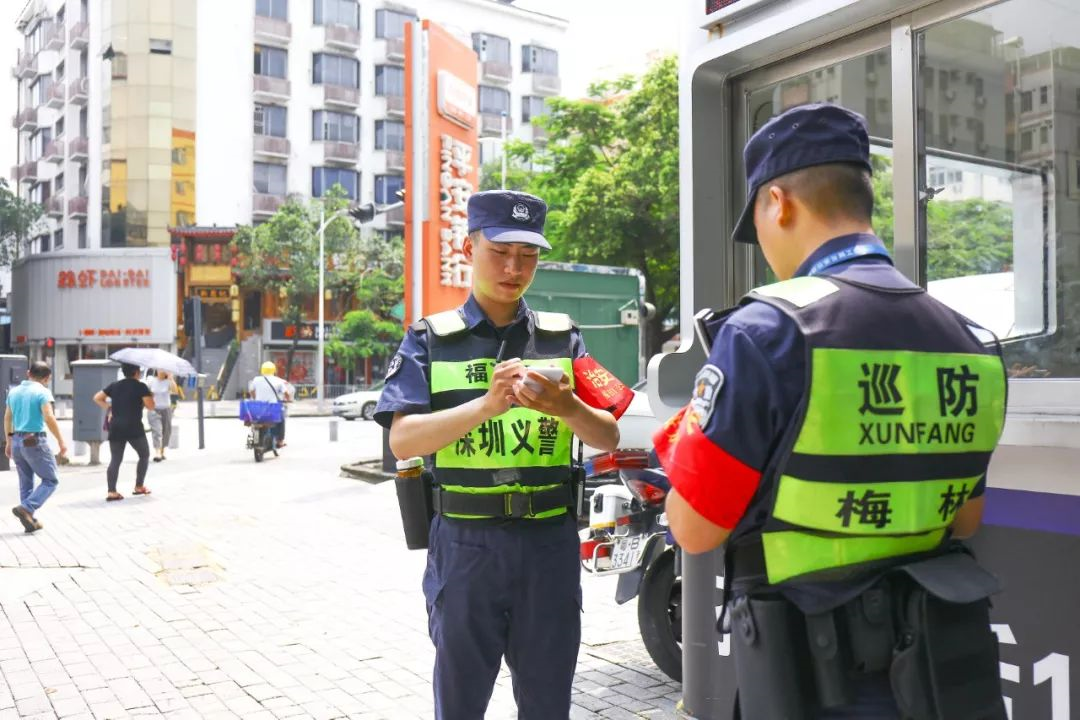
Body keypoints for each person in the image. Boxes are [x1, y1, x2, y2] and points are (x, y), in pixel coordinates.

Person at [656, 104, 1008, 719]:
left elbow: (693, 529)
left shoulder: (768, 330)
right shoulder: (969, 339)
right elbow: (966, 518)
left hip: (812, 679)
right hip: (933, 675)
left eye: (759, 222)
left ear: (779, 203)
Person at [375, 190, 620, 720]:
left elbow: (608, 436)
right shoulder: (430, 341)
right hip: (466, 546)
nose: (514, 268)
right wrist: (487, 405)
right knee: (461, 703)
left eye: (528, 256)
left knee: (548, 702)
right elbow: (402, 440)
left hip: (549, 545)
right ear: (469, 249)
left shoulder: (563, 338)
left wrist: (567, 404)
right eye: (500, 252)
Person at [7, 362, 68, 533]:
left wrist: (9, 441)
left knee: (25, 482)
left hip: (17, 439)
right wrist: (61, 441)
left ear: (28, 373)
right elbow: (48, 416)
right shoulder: (42, 391)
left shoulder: (14, 392)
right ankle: (26, 508)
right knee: (51, 480)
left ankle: (29, 519)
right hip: (33, 439)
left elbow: (7, 418)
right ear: (47, 378)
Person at [94, 363, 154, 501]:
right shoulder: (141, 387)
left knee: (115, 459)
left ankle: (111, 491)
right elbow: (151, 406)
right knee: (144, 454)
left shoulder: (114, 385)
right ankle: (139, 486)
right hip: (134, 427)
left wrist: (109, 407)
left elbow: (97, 397)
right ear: (137, 372)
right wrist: (149, 396)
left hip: (116, 426)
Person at [248, 361, 293, 448]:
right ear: (274, 370)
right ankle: (280, 441)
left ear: (262, 370)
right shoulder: (278, 381)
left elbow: (251, 390)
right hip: (272, 407)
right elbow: (286, 394)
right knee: (281, 420)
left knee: (255, 422)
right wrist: (288, 400)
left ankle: (253, 440)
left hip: (259, 407)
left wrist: (255, 398)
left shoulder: (256, 379)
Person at [146, 369, 178, 462]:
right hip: (154, 409)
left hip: (166, 409)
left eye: (163, 369)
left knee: (166, 431)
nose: (161, 371)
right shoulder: (151, 380)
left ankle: (163, 450)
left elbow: (175, 391)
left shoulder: (168, 381)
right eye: (160, 369)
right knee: (157, 431)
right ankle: (157, 452)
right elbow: (147, 394)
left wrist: (171, 379)